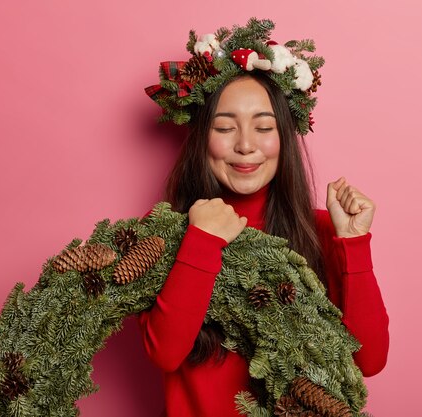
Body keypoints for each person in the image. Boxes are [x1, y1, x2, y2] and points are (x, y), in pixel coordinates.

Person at [140, 19, 389, 417]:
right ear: (202, 137)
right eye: (225, 127)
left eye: (263, 127)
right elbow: (166, 354)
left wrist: (353, 244)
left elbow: (370, 361)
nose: (245, 145)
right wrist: (202, 240)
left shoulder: (322, 231)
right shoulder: (162, 239)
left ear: (285, 139)